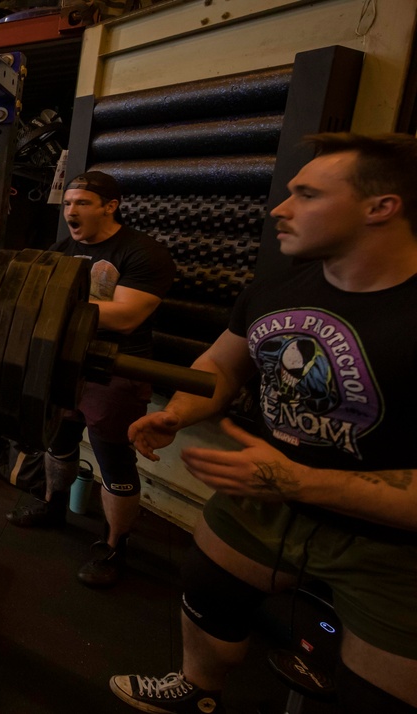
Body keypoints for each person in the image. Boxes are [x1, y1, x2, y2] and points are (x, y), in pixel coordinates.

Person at [111, 133, 417, 714]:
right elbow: (223, 368)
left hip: (393, 545)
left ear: (382, 207)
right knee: (206, 592)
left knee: (377, 698)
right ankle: (198, 690)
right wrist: (177, 411)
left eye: (307, 194)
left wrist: (299, 479)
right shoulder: (277, 287)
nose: (280, 206)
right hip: (264, 501)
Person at [6, 171, 175, 588]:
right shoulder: (63, 248)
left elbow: (127, 315)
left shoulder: (142, 252)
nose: (71, 211)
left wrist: (51, 308)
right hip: (64, 363)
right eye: (67, 204)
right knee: (58, 442)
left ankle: (115, 545)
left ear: (110, 206)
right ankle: (52, 506)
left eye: (81, 203)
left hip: (116, 369)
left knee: (114, 458)